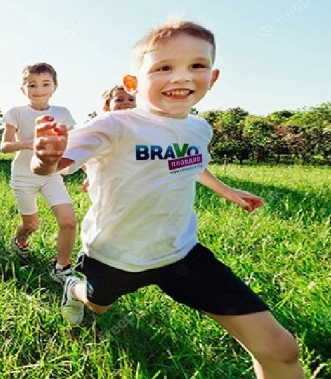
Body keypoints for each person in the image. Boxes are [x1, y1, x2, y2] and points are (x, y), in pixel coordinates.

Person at [32, 21, 304, 379]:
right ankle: (74, 287)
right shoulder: (113, 125)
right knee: (97, 306)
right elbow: (51, 167)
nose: (181, 77)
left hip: (181, 254)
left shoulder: (198, 128)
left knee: (281, 350)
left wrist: (226, 191)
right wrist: (46, 158)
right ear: (133, 83)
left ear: (214, 76)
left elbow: (190, 164)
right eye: (163, 68)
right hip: (116, 256)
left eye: (196, 66)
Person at [0, 62, 78, 284]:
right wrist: (27, 143)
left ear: (55, 86)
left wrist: (86, 171)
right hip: (23, 177)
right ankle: (20, 241)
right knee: (31, 225)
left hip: (51, 175)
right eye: (32, 85)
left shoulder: (62, 113)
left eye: (45, 84)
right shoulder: (16, 113)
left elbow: (75, 146)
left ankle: (62, 267)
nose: (39, 89)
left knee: (69, 221)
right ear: (23, 88)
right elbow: (4, 146)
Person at [81, 85, 137, 192]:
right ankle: (91, 176)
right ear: (107, 108)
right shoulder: (103, 126)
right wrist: (90, 172)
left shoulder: (139, 126)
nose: (127, 102)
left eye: (131, 99)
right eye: (119, 100)